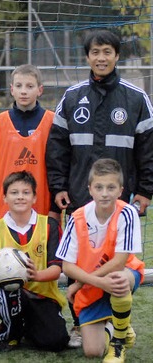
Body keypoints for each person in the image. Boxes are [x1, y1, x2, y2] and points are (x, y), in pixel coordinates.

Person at [46, 29, 153, 347]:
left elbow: (148, 148)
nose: (101, 58)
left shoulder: (136, 98)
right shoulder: (73, 96)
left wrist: (145, 190)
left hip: (121, 201)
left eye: (107, 52)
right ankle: (82, 323)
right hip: (81, 197)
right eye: (95, 52)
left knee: (116, 262)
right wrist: (58, 185)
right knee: (83, 263)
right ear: (87, 57)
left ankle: (117, 319)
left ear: (117, 55)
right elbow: (57, 145)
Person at [56, 158, 144, 362]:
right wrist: (93, 283)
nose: (105, 193)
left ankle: (118, 345)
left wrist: (80, 283)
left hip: (121, 275)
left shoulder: (128, 213)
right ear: (90, 189)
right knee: (92, 351)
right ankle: (119, 326)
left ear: (120, 190)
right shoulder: (77, 217)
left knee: (118, 279)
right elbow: (67, 266)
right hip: (93, 286)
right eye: (99, 187)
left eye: (111, 187)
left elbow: (120, 261)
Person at [0, 171, 69, 352]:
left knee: (56, 342)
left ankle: (28, 327)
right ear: (4, 197)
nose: (20, 197)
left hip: (43, 298)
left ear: (34, 197)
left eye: (26, 192)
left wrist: (36, 275)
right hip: (10, 294)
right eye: (14, 192)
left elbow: (57, 268)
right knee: (8, 287)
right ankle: (10, 331)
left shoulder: (50, 226)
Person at [0, 65, 58, 221]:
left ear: (40, 90)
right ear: (12, 89)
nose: (24, 91)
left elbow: (57, 167)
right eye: (19, 86)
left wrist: (54, 209)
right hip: (5, 208)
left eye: (30, 86)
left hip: (42, 207)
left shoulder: (51, 121)